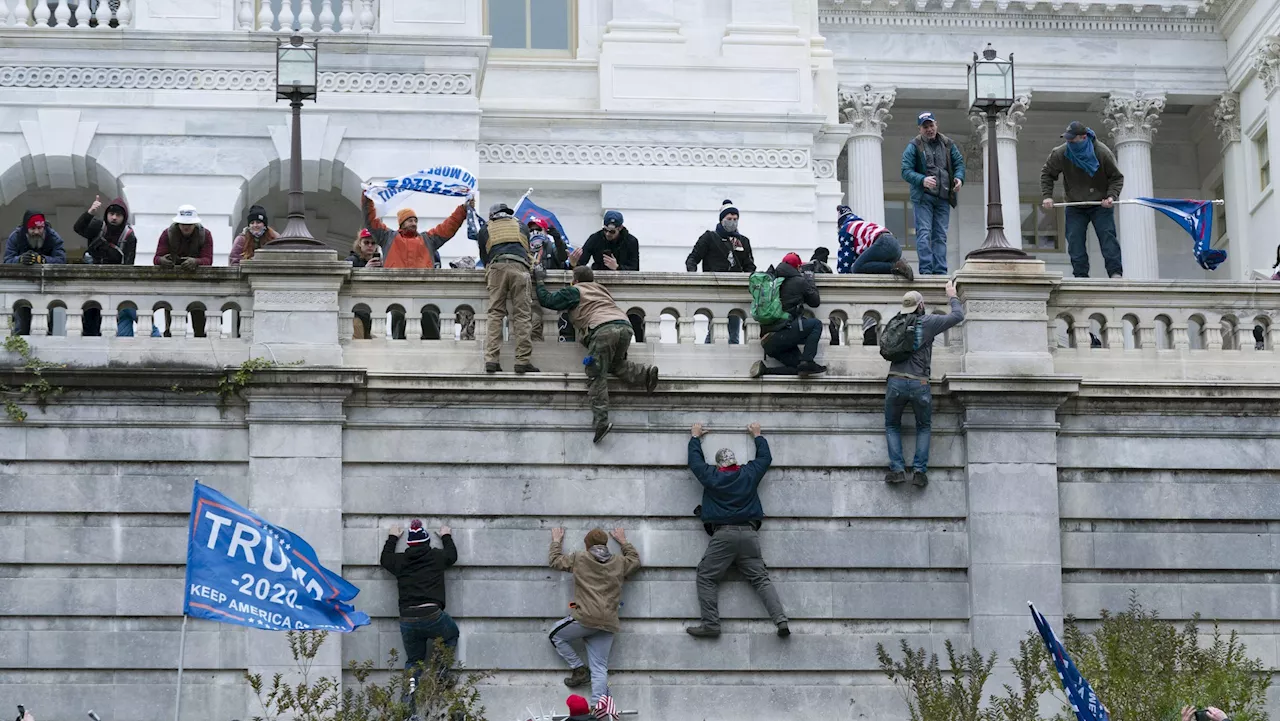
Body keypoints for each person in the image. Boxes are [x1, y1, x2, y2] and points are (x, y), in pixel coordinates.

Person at [685, 422, 789, 639]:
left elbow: (695, 463)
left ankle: (711, 625)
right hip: (750, 535)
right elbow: (765, 459)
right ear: (735, 462)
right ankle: (780, 620)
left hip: (723, 536)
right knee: (761, 579)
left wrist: (695, 438)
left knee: (706, 576)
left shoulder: (712, 476)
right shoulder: (748, 473)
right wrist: (758, 435)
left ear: (719, 465)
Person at [534, 264, 659, 443]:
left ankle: (601, 421)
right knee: (613, 364)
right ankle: (645, 374)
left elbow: (548, 300)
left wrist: (539, 280)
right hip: (624, 327)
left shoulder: (575, 290)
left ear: (575, 280)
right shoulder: (601, 290)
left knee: (596, 374)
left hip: (603, 330)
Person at [548, 526, 640, 708]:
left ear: (586, 544)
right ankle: (598, 709)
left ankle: (579, 669)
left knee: (555, 635)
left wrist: (556, 541)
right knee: (599, 668)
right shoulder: (619, 562)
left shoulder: (579, 558)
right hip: (609, 622)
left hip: (585, 618)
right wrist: (623, 542)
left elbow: (555, 561)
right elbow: (635, 561)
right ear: (605, 544)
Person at [884, 281, 964, 488]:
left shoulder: (896, 322)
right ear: (920, 306)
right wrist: (952, 295)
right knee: (924, 426)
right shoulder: (927, 322)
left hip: (895, 380)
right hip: (919, 382)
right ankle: (919, 472)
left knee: (892, 425)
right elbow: (958, 316)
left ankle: (897, 470)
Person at [380, 519, 459, 715]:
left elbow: (385, 559)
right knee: (451, 634)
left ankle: (408, 711)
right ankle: (441, 672)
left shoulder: (400, 561)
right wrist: (446, 535)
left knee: (414, 661)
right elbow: (452, 555)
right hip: (432, 614)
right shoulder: (436, 557)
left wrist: (392, 537)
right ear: (426, 542)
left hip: (408, 618)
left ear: (409, 544)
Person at [1040, 120, 1126, 279]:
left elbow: (1116, 178)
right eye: (1067, 139)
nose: (1069, 142)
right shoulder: (1061, 153)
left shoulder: (1101, 152)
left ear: (1083, 137)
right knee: (1074, 240)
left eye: (1072, 139)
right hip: (1075, 204)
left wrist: (1111, 196)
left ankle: (1115, 273)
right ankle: (1080, 276)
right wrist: (1047, 196)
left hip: (1100, 204)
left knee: (1107, 237)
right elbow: (1047, 174)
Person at [475, 202, 538, 374]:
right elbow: (527, 250)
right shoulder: (521, 226)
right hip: (520, 268)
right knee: (522, 315)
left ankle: (491, 360)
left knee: (495, 313)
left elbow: (484, 256)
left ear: (492, 215)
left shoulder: (485, 228)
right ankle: (522, 361)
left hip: (497, 267)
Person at [900, 112, 965, 276]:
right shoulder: (914, 145)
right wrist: (922, 180)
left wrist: (959, 178)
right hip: (923, 197)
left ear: (936, 124)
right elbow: (905, 171)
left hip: (943, 197)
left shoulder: (948, 144)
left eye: (931, 125)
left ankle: (941, 271)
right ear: (920, 129)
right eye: (925, 126)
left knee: (940, 235)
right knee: (924, 233)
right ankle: (926, 270)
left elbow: (959, 163)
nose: (929, 129)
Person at [687, 199, 755, 344]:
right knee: (716, 328)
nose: (732, 222)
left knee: (734, 331)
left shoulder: (742, 241)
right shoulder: (710, 237)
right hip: (715, 288)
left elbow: (749, 265)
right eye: (729, 219)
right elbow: (693, 258)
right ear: (722, 219)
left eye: (735, 219)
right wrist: (694, 278)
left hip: (736, 290)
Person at [749, 253, 825, 378]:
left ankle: (765, 370)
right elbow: (815, 302)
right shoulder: (799, 281)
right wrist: (810, 280)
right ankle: (808, 361)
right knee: (816, 324)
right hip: (783, 334)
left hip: (767, 340)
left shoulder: (770, 281)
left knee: (799, 368)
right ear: (798, 267)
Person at [361, 191, 467, 269]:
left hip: (422, 289)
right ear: (402, 223)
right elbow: (371, 221)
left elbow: (448, 227)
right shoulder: (387, 237)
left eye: (415, 221)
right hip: (394, 288)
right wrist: (367, 199)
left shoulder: (428, 239)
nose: (413, 223)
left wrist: (462, 210)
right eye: (410, 220)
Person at [836, 205, 915, 280]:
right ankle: (899, 267)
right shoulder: (862, 225)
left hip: (884, 242)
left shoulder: (846, 228)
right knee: (871, 267)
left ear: (840, 224)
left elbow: (846, 257)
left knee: (857, 268)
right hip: (895, 246)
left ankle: (896, 266)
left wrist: (843, 277)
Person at [528, 216, 569, 343]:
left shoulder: (550, 246)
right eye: (531, 230)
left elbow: (562, 257)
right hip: (529, 294)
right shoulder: (525, 248)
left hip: (548, 294)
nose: (534, 232)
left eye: (538, 229)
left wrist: (557, 239)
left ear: (545, 232)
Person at [74, 194, 136, 265]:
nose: (114, 217)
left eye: (118, 215)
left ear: (124, 217)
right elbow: (78, 228)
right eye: (111, 214)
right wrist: (90, 212)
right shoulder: (98, 226)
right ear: (106, 214)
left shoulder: (128, 235)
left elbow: (129, 263)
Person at [572, 210, 639, 272]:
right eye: (605, 230)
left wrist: (617, 267)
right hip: (598, 276)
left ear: (620, 228)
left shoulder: (631, 241)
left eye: (612, 232)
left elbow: (634, 268)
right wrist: (573, 263)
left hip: (622, 280)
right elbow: (582, 262)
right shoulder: (595, 238)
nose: (607, 234)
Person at [154, 205, 213, 270]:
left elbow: (208, 260)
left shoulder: (205, 235)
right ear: (178, 223)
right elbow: (156, 258)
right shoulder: (167, 234)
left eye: (189, 224)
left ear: (195, 224)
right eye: (183, 224)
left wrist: (196, 262)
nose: (186, 227)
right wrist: (162, 261)